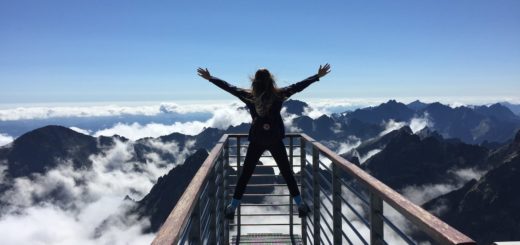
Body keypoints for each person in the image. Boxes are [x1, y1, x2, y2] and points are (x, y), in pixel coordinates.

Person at [197, 64, 331, 220]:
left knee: (245, 174)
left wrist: (211, 78)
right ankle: (300, 204)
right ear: (271, 80)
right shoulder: (279, 95)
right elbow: (298, 86)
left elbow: (229, 88)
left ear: (255, 82)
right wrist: (317, 76)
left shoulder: (249, 96)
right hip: (274, 139)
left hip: (257, 139)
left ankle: (232, 207)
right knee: (287, 173)